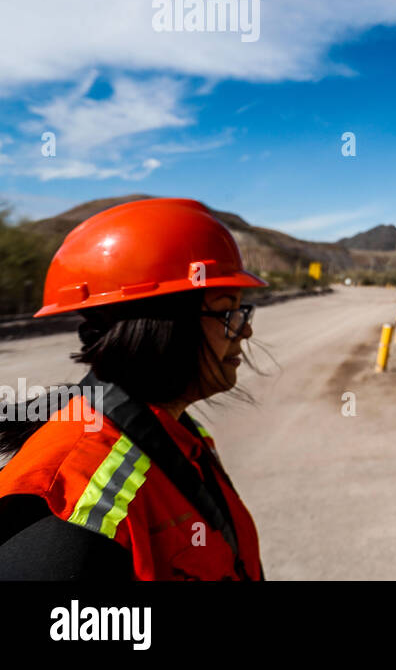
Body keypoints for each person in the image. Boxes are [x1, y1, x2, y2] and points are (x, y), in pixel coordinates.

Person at [0, 197, 268, 580]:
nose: (245, 330)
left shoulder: (179, 432)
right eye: (228, 311)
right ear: (162, 325)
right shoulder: (68, 502)